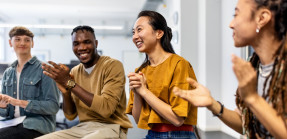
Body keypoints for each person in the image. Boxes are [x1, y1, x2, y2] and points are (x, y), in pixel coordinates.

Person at [173, 0, 287, 138]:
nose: (231, 24)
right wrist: (213, 104)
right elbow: (246, 125)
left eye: (236, 14)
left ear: (262, 18)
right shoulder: (256, 68)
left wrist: (252, 98)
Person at [38, 25, 132, 139]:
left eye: (86, 42)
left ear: (96, 43)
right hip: (83, 128)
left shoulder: (113, 65)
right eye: (76, 43)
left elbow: (106, 109)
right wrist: (66, 92)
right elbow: (70, 115)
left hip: (112, 127)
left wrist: (69, 83)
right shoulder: (75, 71)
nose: (81, 47)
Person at [126, 10, 198, 139]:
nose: (135, 36)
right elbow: (138, 120)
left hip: (179, 135)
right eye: (133, 32)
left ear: (159, 33)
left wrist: (144, 91)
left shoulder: (179, 64)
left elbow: (177, 119)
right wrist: (137, 93)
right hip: (152, 134)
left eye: (139, 30)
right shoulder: (140, 71)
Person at [0, 26, 60, 139]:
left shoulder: (45, 69)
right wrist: (2, 107)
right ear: (10, 42)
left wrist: (19, 102)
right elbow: (4, 113)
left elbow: (53, 106)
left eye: (27, 40)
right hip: (11, 123)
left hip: (36, 125)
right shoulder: (8, 73)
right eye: (17, 39)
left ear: (32, 44)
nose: (22, 43)